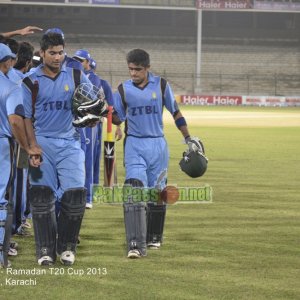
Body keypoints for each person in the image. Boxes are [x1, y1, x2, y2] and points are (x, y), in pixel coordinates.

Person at [112, 49, 201, 258]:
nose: (133, 73)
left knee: (158, 193)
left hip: (158, 146)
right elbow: (118, 118)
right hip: (134, 144)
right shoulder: (122, 90)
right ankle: (135, 243)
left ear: (147, 68)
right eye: (130, 69)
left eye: (138, 69)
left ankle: (153, 237)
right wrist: (107, 114)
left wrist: (188, 138)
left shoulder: (161, 85)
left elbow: (176, 112)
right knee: (134, 189)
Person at [22, 32, 93, 266]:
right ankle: (45, 249)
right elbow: (26, 119)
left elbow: (93, 105)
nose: (57, 57)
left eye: (60, 52)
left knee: (75, 195)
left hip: (71, 142)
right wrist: (32, 147)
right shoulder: (30, 80)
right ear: (41, 53)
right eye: (52, 53)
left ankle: (67, 247)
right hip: (42, 143)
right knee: (42, 197)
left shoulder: (76, 75)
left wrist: (92, 115)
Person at [0, 43, 41, 268]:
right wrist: (27, 147)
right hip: (2, 146)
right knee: (2, 199)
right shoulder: (12, 85)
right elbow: (16, 121)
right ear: (8, 61)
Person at [73, 49, 119, 208]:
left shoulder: (94, 79)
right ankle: (87, 193)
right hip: (80, 123)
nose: (78, 62)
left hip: (90, 124)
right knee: (84, 158)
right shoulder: (73, 76)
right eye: (76, 60)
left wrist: (116, 126)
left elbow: (110, 108)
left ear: (87, 63)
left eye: (81, 60)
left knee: (88, 157)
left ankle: (88, 196)